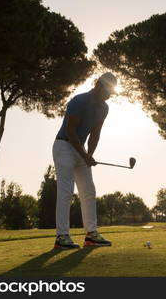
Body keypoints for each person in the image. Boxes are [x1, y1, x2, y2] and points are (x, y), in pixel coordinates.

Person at [52, 72, 117, 249]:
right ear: (98, 85)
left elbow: (95, 133)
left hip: (79, 149)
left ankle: (91, 235)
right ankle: (62, 237)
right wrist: (85, 155)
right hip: (64, 145)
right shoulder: (79, 101)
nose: (109, 96)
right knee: (66, 191)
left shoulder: (104, 108)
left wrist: (90, 154)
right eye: (107, 91)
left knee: (88, 190)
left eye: (111, 93)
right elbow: (71, 131)